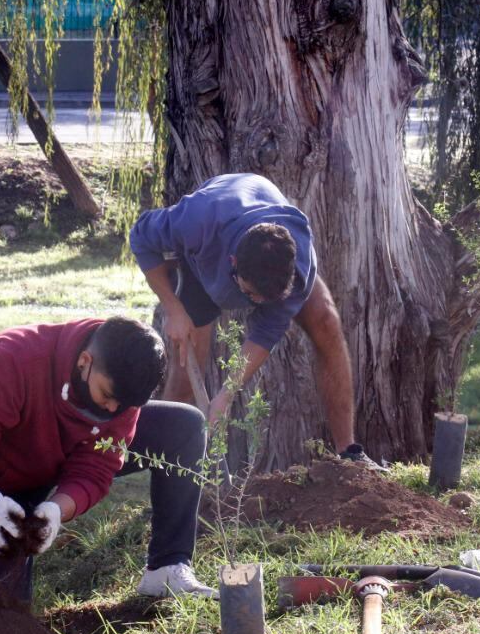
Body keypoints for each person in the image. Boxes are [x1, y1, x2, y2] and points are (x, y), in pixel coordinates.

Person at [0, 316, 218, 601]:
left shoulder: (122, 389)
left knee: (184, 427)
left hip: (57, 457)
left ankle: (166, 570)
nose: (112, 409)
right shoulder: (15, 359)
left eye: (125, 404)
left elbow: (95, 468)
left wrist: (56, 511)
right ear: (84, 361)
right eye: (107, 396)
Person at [129, 172, 378, 466]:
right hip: (205, 261)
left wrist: (226, 393)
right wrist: (173, 308)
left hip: (256, 258)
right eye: (250, 294)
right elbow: (141, 236)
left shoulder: (298, 269)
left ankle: (349, 454)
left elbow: (265, 332)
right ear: (233, 263)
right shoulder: (197, 220)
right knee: (185, 370)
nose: (256, 306)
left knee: (325, 319)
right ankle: (162, 469)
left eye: (267, 300)